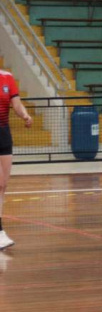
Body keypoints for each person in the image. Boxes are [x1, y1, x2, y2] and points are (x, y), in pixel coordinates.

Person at [0, 67, 33, 250]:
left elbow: (16, 104)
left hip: (4, 133)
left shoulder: (7, 77)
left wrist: (25, 115)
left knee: (3, 185)